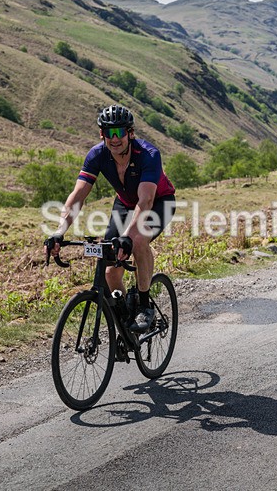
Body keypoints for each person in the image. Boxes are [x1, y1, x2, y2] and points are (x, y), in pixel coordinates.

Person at [44, 104, 177, 332]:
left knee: (137, 241)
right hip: (125, 204)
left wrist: (127, 236)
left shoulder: (149, 154)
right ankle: (126, 319)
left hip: (158, 202)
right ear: (101, 134)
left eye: (119, 132)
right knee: (110, 271)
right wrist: (59, 231)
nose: (114, 139)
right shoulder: (97, 155)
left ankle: (145, 306)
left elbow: (145, 201)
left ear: (130, 133)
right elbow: (77, 196)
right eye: (108, 133)